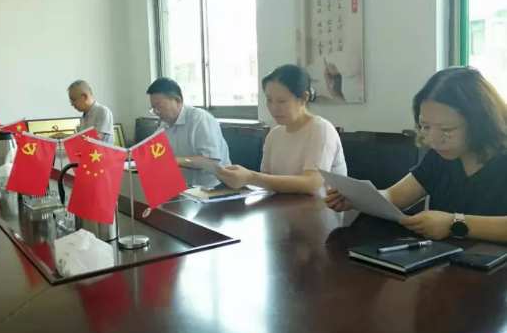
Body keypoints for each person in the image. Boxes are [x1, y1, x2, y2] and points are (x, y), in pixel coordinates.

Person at [325, 66, 507, 241]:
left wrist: (454, 224)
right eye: (425, 127)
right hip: (448, 258)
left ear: (481, 123)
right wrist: (359, 200)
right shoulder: (440, 157)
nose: (433, 140)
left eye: (447, 129)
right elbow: (395, 197)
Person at [217, 64, 346, 195]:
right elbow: (266, 181)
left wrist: (250, 177)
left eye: (282, 101)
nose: (274, 108)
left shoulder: (321, 130)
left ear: (304, 98)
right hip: (282, 206)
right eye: (269, 100)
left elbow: (312, 184)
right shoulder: (274, 134)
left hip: (318, 207)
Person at [147, 78, 231, 167]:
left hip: (214, 176)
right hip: (180, 175)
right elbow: (152, 149)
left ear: (177, 101)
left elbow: (211, 160)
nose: (157, 112)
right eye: (154, 108)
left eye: (160, 107)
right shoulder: (165, 123)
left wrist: (173, 161)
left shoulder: (200, 119)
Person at [63, 80, 114, 144]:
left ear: (85, 96)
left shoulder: (103, 112)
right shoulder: (83, 117)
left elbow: (94, 139)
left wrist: (66, 137)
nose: (72, 104)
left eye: (73, 100)